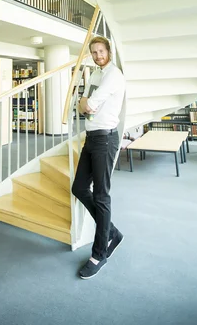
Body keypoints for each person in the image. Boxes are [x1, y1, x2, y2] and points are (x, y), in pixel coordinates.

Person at [72, 35, 126, 279]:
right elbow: (79, 104)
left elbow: (88, 106)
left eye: (101, 51)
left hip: (105, 138)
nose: (97, 55)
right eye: (93, 52)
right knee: (79, 188)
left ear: (109, 51)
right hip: (91, 137)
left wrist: (84, 103)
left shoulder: (113, 75)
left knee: (102, 196)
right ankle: (111, 231)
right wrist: (83, 103)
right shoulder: (94, 75)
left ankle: (99, 253)